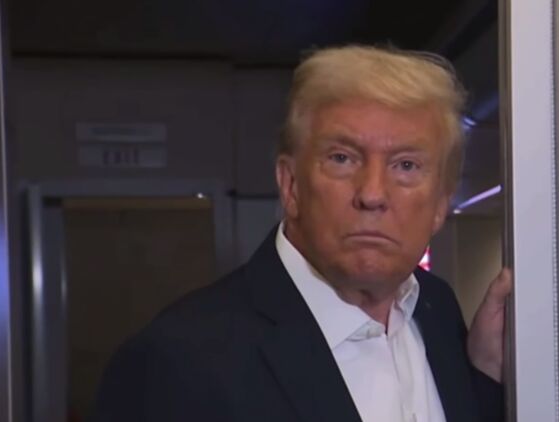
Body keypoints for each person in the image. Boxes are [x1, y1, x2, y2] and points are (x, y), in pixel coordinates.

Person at [92, 45, 513, 422]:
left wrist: (485, 377)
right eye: (343, 158)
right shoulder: (178, 360)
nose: (372, 194)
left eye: (406, 165)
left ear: (440, 204)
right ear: (291, 185)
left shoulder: (438, 309)